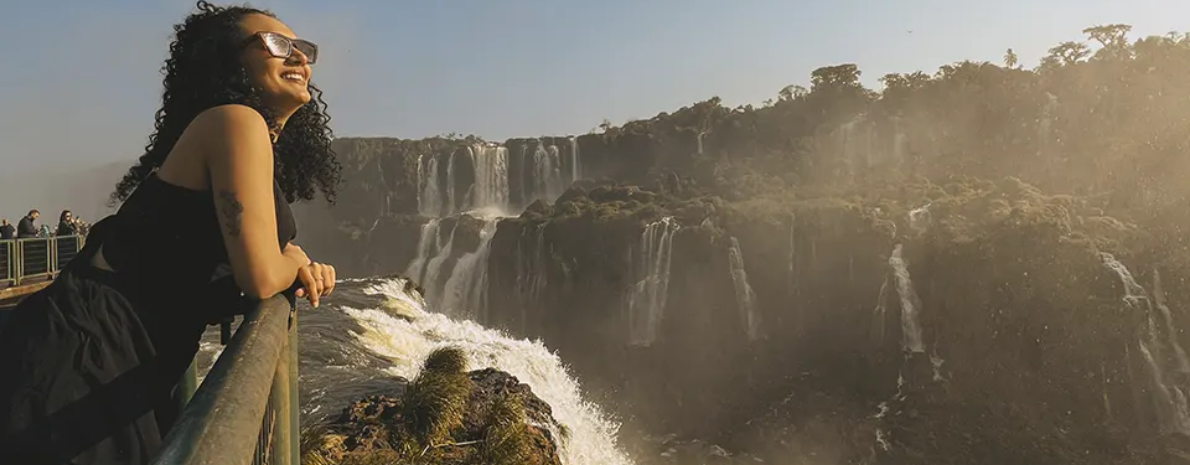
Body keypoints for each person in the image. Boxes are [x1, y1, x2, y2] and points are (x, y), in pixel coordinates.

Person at [0, 2, 342, 464]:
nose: (298, 57)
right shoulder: (236, 120)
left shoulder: (243, 136)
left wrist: (288, 256)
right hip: (87, 354)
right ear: (228, 59)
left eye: (302, 48)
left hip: (122, 356)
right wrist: (294, 261)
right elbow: (260, 277)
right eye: (276, 45)